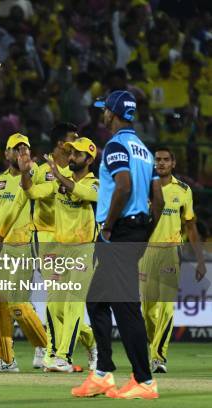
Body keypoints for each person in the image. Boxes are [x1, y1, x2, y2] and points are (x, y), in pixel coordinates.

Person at [72, 90, 164, 400]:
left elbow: (122, 187)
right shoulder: (145, 151)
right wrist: (143, 237)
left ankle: (145, 380)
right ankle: (102, 374)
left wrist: (110, 228)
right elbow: (159, 201)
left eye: (105, 110)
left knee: (125, 307)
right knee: (97, 300)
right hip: (135, 232)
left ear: (112, 113)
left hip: (118, 232)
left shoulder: (115, 146)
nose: (103, 114)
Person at [19, 136, 99, 373]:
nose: (72, 157)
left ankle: (64, 356)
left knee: (74, 303)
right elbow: (32, 192)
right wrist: (25, 173)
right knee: (54, 305)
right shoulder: (59, 180)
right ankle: (54, 354)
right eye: (70, 153)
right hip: (59, 250)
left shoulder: (96, 183)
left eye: (77, 154)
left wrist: (59, 176)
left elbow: (84, 193)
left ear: (89, 159)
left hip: (84, 250)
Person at [0, 133, 48, 373]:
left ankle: (47, 348)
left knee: (17, 304)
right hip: (0, 249)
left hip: (25, 246)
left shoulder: (34, 173)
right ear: (6, 154)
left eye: (25, 149)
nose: (21, 154)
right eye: (16, 150)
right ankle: (6, 360)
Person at [140, 147, 207, 373]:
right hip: (146, 252)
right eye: (157, 160)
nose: (161, 163)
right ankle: (152, 344)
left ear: (173, 163)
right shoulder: (144, 187)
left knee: (166, 307)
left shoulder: (183, 190)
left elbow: (190, 225)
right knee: (148, 310)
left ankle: (158, 356)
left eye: (165, 160)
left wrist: (199, 260)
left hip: (171, 250)